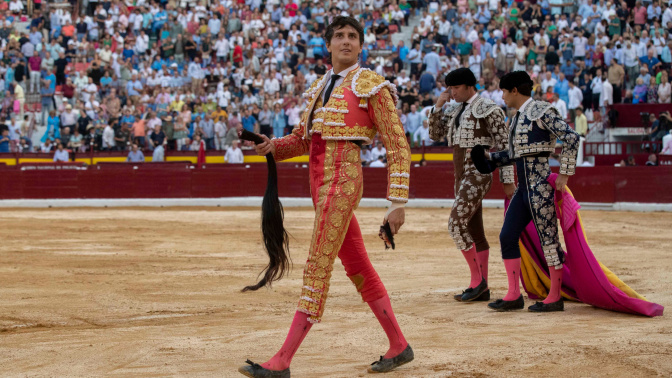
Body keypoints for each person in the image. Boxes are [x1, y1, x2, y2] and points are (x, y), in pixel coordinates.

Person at [239, 17, 413, 377]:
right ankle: (399, 345)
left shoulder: (371, 85)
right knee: (358, 266)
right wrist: (274, 146)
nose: (346, 41)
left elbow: (397, 144)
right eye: (339, 36)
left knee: (317, 263)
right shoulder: (320, 87)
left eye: (352, 37)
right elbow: (306, 139)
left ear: (361, 46)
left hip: (343, 179)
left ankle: (283, 360)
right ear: (329, 45)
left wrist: (397, 202)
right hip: (320, 182)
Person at [481, 71, 579, 312]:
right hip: (523, 189)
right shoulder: (515, 119)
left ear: (515, 90)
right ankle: (514, 294)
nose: (502, 96)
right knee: (507, 236)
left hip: (540, 186)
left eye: (504, 91)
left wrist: (564, 173)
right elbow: (514, 155)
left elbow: (571, 138)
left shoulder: (542, 111)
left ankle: (555, 297)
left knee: (549, 240)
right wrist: (489, 158)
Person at [428, 67, 515, 302]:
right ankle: (480, 286)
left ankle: (479, 282)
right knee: (475, 230)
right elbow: (435, 135)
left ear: (469, 86)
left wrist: (508, 181)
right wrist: (438, 106)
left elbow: (505, 146)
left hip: (477, 173)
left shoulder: (489, 108)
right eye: (450, 88)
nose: (452, 92)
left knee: (456, 224)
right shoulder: (454, 108)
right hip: (460, 174)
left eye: (456, 88)